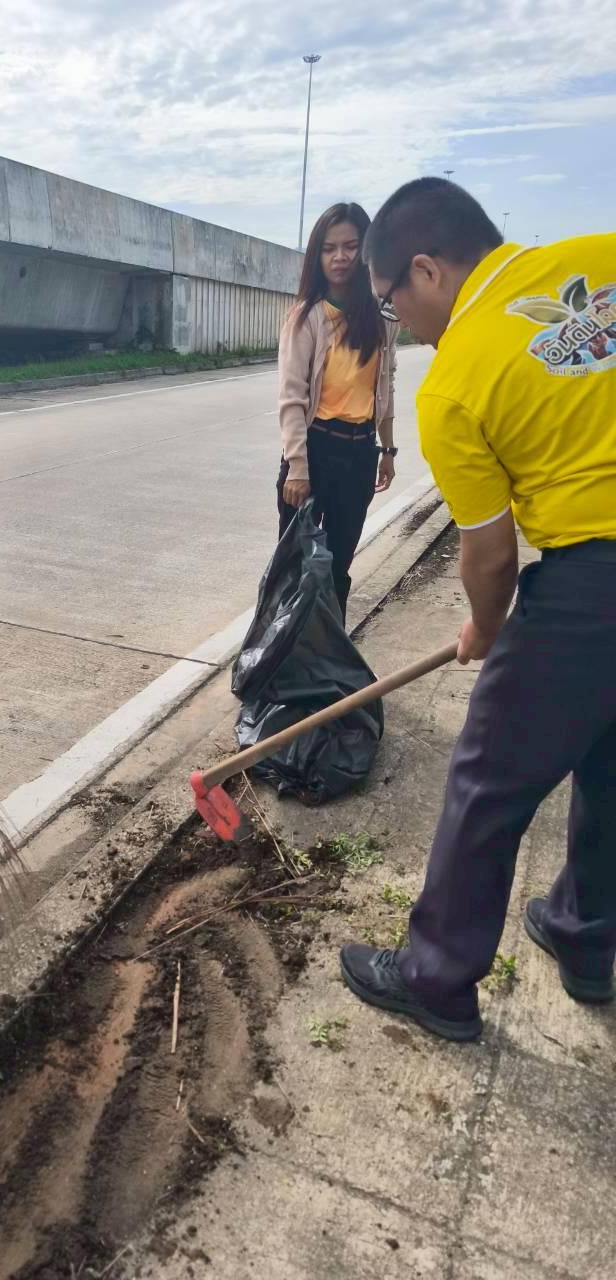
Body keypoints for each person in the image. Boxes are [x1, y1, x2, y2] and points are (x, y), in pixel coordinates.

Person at [338, 178, 616, 1040]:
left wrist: (489, 635)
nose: (398, 326)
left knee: (489, 779)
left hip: (592, 585)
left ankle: (437, 978)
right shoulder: (600, 257)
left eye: (391, 304)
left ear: (426, 270)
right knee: (610, 757)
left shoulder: (454, 381)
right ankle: (588, 937)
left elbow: (490, 556)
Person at [277, 202, 399, 620]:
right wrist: (297, 466)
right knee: (296, 565)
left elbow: (384, 387)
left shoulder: (381, 321)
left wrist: (388, 449)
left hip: (359, 455)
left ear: (365, 252)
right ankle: (283, 664)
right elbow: (292, 397)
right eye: (330, 248)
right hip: (314, 452)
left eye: (350, 246)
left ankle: (327, 662)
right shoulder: (306, 317)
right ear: (318, 255)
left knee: (339, 565)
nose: (340, 257)